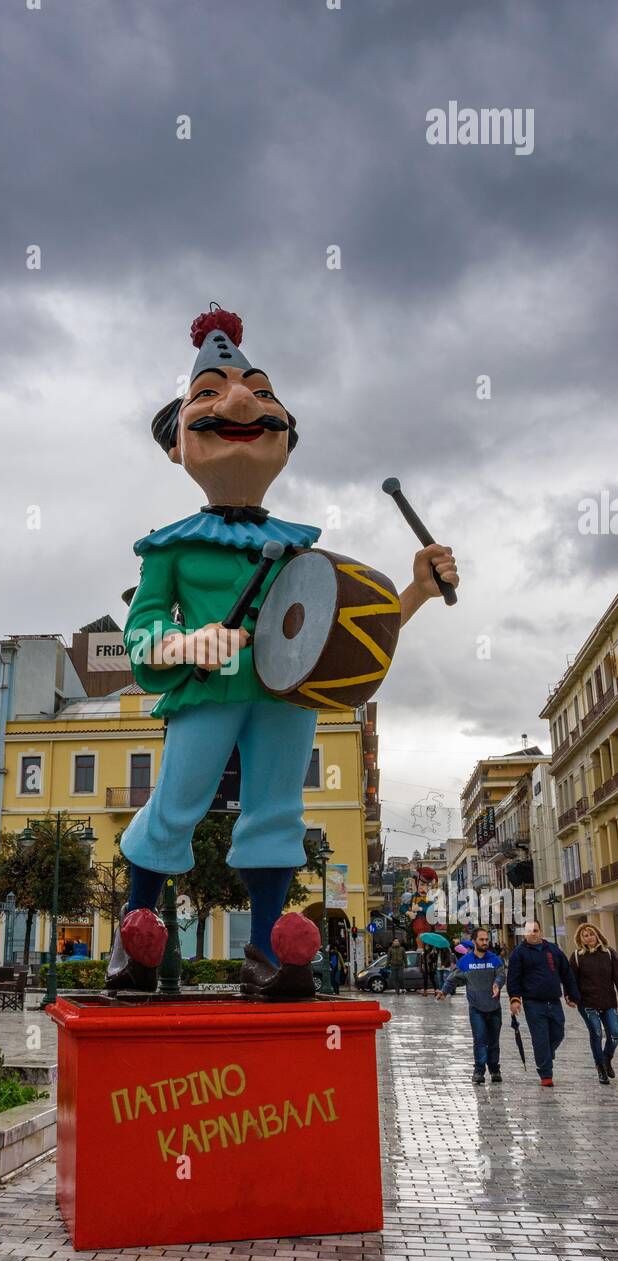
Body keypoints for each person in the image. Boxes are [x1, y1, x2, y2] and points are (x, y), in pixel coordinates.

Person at [107, 305, 460, 996]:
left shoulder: (303, 548)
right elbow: (141, 636)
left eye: (262, 394)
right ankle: (137, 936)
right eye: (206, 394)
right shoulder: (171, 546)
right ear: (176, 444)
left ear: (286, 440)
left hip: (287, 693)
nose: (241, 402)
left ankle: (265, 952)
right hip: (207, 693)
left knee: (276, 811)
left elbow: (350, 628)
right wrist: (188, 643)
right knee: (176, 804)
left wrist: (415, 590)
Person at [507, 920, 581, 1087]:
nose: (533, 933)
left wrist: (571, 994)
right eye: (530, 931)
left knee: (559, 1032)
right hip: (533, 1003)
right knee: (540, 1038)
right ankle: (546, 1074)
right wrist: (515, 999)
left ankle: (546, 1054)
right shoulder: (518, 953)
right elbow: (513, 979)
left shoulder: (553, 949)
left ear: (540, 931)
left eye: (536, 930)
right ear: (524, 934)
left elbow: (566, 973)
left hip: (554, 1000)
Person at [436, 926, 505, 1084]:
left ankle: (494, 1069)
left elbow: (501, 974)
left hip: (494, 1008)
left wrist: (497, 983)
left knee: (494, 1041)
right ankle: (479, 1071)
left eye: (486, 939)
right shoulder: (465, 961)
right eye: (481, 939)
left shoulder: (495, 959)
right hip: (476, 1009)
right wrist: (444, 991)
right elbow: (453, 978)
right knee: (480, 1040)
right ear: (474, 941)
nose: (485, 942)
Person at [568, 922, 618, 1085]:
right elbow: (571, 981)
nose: (589, 937)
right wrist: (569, 996)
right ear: (581, 939)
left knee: (615, 1034)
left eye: (591, 934)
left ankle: (606, 1058)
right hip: (588, 1003)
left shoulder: (609, 953)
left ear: (597, 935)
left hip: (608, 1001)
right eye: (585, 935)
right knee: (596, 1034)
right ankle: (600, 1068)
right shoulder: (577, 957)